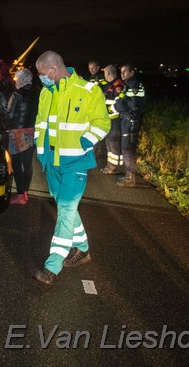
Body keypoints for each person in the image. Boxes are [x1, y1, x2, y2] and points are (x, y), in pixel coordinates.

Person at [32, 51, 110, 285]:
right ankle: (83, 249)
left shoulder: (88, 91)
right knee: (68, 209)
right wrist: (39, 146)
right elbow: (40, 122)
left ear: (53, 70)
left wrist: (85, 141)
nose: (41, 78)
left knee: (65, 210)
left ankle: (52, 267)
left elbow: (102, 122)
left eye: (42, 73)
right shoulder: (47, 92)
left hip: (75, 163)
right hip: (52, 163)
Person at [6, 68, 37, 204]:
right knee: (28, 163)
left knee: (17, 164)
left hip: (18, 133)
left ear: (22, 80)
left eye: (17, 79)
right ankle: (26, 192)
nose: (16, 82)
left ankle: (20, 195)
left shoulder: (17, 94)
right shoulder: (39, 92)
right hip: (32, 131)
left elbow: (9, 113)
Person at [115, 63, 146, 187]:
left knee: (128, 149)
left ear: (132, 73)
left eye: (125, 72)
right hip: (126, 120)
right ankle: (128, 175)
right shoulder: (127, 85)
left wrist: (122, 101)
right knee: (125, 148)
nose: (122, 74)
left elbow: (134, 106)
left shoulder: (134, 86)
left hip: (131, 121)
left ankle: (130, 178)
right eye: (121, 72)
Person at [101, 64, 125, 174]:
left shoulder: (118, 85)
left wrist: (109, 110)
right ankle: (110, 165)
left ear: (108, 73)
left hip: (115, 119)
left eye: (105, 73)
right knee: (109, 142)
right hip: (109, 119)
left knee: (113, 142)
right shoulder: (110, 85)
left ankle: (114, 167)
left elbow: (119, 103)